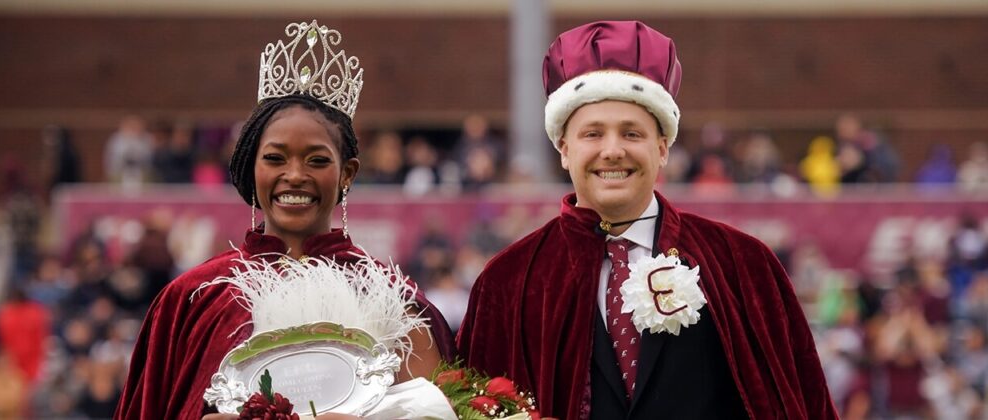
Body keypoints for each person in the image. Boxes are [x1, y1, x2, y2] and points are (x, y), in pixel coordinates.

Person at [457, 21, 836, 419]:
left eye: (632, 134)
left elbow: (802, 402)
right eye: (593, 134)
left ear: (663, 147)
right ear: (564, 150)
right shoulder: (508, 282)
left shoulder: (742, 264)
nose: (613, 150)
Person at [117, 21, 455, 419]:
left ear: (347, 173)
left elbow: (438, 406)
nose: (295, 175)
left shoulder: (393, 299)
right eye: (275, 158)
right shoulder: (194, 299)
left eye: (317, 160)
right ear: (251, 167)